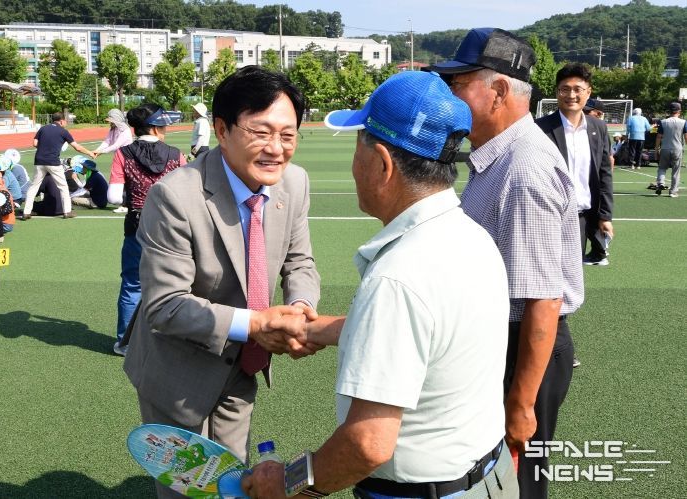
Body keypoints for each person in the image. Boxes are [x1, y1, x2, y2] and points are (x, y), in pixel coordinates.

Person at [243, 70, 517, 499]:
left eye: (359, 149)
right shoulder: (470, 236)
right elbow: (427, 332)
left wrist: (288, 483)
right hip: (491, 477)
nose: (355, 166)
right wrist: (319, 328)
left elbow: (367, 444)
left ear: (383, 164)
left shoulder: (399, 276)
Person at [123, 67, 321, 498]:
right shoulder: (175, 195)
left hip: (243, 364)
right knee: (185, 489)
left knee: (232, 481)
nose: (276, 149)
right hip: (178, 371)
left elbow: (299, 261)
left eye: (288, 136)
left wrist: (301, 308)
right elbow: (166, 306)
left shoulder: (296, 181)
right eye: (261, 132)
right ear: (221, 129)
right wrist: (259, 325)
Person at [431, 27, 584, 499]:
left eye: (459, 85)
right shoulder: (499, 157)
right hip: (504, 345)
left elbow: (543, 296)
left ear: (497, 90)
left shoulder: (524, 167)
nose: (450, 96)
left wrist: (521, 400)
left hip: (523, 351)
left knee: (517, 482)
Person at [107, 104, 187, 356]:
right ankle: (172, 339)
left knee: (132, 284)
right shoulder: (176, 154)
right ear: (154, 127)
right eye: (163, 126)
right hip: (171, 226)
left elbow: (114, 197)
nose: (165, 130)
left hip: (137, 224)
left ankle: (126, 341)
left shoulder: (123, 154)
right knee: (177, 284)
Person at [536, 63, 614, 267]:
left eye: (577, 89)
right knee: (546, 272)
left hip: (581, 217)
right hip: (548, 215)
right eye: (565, 89)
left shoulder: (598, 127)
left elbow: (604, 173)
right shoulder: (540, 128)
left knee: (572, 276)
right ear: (557, 92)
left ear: (588, 92)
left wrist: (605, 216)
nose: (571, 95)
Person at [20, 112, 95, 220]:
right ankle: (67, 212)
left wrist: (45, 149)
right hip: (53, 162)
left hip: (39, 161)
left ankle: (26, 212)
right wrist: (90, 153)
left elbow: (35, 143)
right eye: (65, 121)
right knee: (63, 187)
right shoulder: (63, 131)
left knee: (33, 187)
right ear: (61, 121)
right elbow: (77, 147)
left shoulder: (43, 128)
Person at [654, 101, 686, 198]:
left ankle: (660, 183)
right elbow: (686, 136)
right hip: (677, 148)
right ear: (679, 111)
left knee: (662, 168)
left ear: (670, 111)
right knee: (676, 170)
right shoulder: (684, 122)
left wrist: (656, 149)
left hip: (665, 148)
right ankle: (673, 191)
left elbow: (659, 136)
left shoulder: (663, 122)